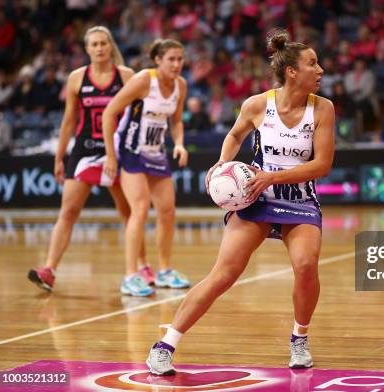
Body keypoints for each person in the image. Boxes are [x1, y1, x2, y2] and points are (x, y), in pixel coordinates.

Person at [145, 28, 335, 375]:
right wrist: (222, 163)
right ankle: (165, 344)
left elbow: (322, 165)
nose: (320, 70)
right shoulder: (257, 104)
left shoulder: (323, 109)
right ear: (292, 71)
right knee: (225, 273)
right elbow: (234, 135)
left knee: (306, 265)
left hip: (298, 199)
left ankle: (299, 337)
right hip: (255, 197)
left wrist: (271, 176)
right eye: (313, 63)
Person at [27, 26, 153, 292]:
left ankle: (142, 265)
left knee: (128, 212)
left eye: (103, 43)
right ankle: (49, 269)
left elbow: (137, 117)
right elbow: (68, 121)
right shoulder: (76, 78)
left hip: (117, 151)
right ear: (87, 49)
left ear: (110, 46)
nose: (98, 48)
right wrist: (59, 157)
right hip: (84, 151)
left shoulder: (126, 75)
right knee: (69, 211)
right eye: (93, 44)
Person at [102, 39, 190, 297]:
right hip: (130, 151)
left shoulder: (180, 86)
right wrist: (110, 155)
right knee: (139, 209)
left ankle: (164, 271)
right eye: (171, 59)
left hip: (156, 152)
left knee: (167, 211)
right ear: (158, 60)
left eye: (180, 59)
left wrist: (180, 144)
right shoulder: (143, 80)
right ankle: (131, 275)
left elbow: (176, 121)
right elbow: (110, 113)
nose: (176, 64)